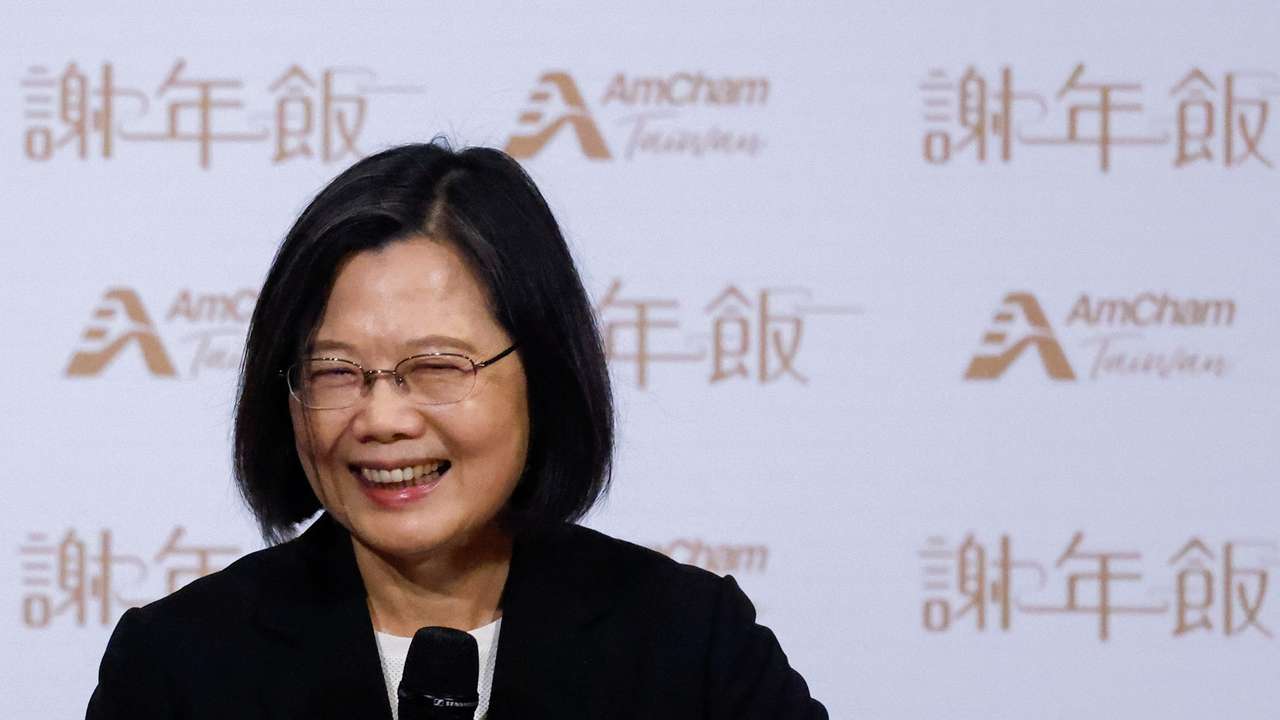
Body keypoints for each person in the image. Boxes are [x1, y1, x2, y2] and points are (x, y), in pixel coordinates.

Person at [85, 141, 828, 719]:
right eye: (335, 371)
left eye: (438, 366)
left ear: (541, 371)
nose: (382, 420)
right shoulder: (178, 667)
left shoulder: (690, 646)